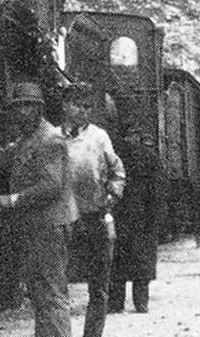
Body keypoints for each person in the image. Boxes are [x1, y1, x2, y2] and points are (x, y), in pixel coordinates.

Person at [0, 81, 78, 337]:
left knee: (51, 294)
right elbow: (2, 156)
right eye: (17, 107)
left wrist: (13, 199)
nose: (21, 112)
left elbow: (51, 186)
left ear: (39, 109)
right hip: (38, 227)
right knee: (41, 294)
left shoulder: (49, 139)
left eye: (27, 106)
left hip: (49, 227)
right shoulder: (29, 138)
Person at [62, 84, 126, 337]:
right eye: (77, 104)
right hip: (64, 219)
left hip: (95, 217)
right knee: (59, 286)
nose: (83, 110)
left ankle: (93, 334)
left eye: (88, 106)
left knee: (98, 287)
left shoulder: (99, 137)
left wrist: (112, 194)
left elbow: (117, 171)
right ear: (65, 105)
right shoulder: (54, 138)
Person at [110, 127, 163, 314]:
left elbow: (157, 191)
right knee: (138, 261)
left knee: (121, 260)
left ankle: (118, 302)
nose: (130, 139)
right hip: (139, 217)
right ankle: (139, 302)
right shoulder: (149, 157)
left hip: (130, 216)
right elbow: (158, 191)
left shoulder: (116, 156)